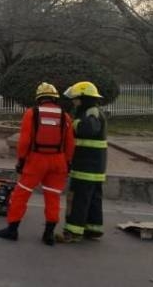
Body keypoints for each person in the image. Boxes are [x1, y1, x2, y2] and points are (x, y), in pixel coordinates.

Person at [0, 82, 75, 245]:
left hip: (36, 160)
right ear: (55, 98)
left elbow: (24, 141)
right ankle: (49, 234)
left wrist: (21, 161)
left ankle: (12, 229)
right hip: (58, 161)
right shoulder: (64, 116)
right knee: (53, 198)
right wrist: (67, 162)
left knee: (21, 195)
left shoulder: (32, 113)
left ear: (39, 98)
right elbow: (70, 143)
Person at [57, 81, 108, 243]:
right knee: (93, 198)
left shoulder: (90, 112)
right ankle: (93, 228)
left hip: (86, 165)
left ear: (84, 98)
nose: (74, 101)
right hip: (95, 165)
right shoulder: (92, 110)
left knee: (77, 198)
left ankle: (73, 232)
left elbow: (89, 130)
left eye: (76, 98)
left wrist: (74, 124)